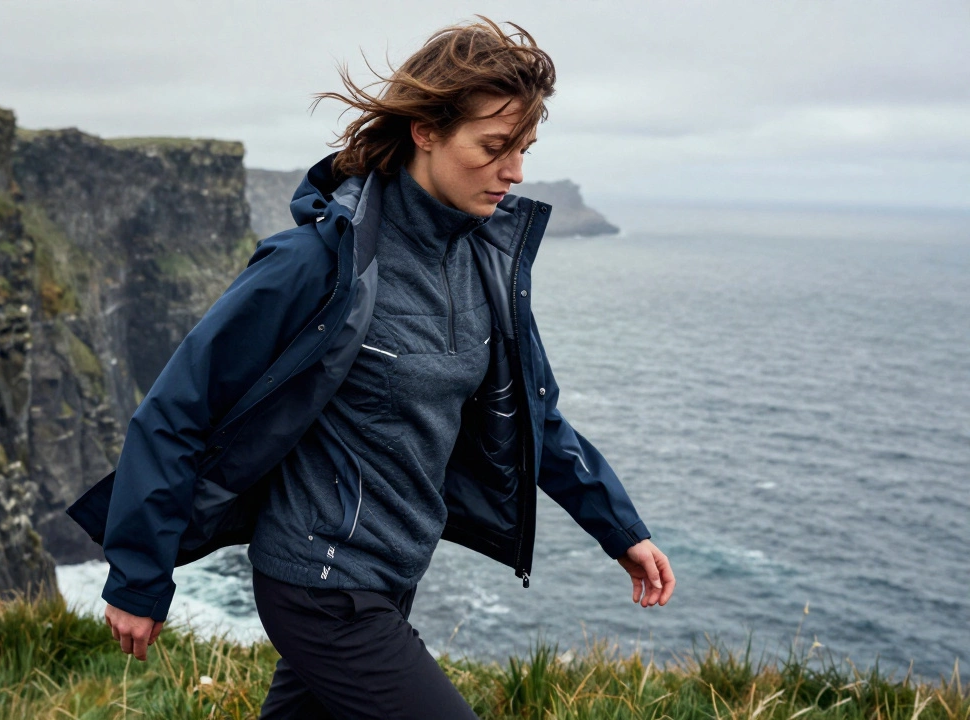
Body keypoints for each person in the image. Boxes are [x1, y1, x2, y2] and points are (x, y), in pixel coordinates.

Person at [68, 15, 675, 719]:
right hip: (318, 581)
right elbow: (179, 408)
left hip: (393, 574)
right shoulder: (316, 264)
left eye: (525, 150)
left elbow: (532, 415)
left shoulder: (485, 265)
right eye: (494, 146)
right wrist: (138, 576)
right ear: (426, 131)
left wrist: (619, 527)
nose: (513, 172)